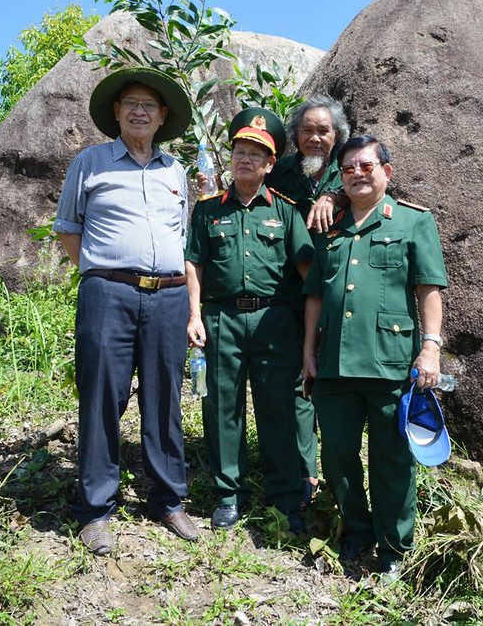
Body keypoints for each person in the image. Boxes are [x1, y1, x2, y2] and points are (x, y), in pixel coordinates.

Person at [53, 67, 199, 555]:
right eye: (131, 103)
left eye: (149, 105)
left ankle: (168, 501)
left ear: (162, 117)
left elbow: (181, 237)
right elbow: (69, 228)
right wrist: (103, 274)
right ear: (116, 112)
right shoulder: (90, 162)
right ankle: (95, 510)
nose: (140, 111)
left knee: (165, 397)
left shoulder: (175, 171)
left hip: (169, 296)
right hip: (108, 294)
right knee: (102, 395)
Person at [301, 135, 448, 579]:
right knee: (338, 457)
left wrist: (430, 347)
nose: (357, 175)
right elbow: (315, 295)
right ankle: (357, 531)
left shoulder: (413, 221)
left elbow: (428, 288)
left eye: (366, 166)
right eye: (348, 169)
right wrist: (309, 351)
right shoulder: (330, 227)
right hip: (334, 364)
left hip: (390, 362)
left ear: (386, 171)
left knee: (392, 460)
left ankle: (393, 548)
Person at [185, 109, 314, 531]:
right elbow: (194, 265)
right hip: (221, 319)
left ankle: (284, 495)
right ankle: (229, 494)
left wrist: (321, 324)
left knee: (278, 407)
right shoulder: (208, 210)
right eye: (239, 151)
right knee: (222, 406)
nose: (245, 159)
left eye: (255, 154)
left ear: (269, 164)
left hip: (274, 320)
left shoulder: (287, 212)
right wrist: (194, 315)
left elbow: (306, 271)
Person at [264, 96, 350, 506]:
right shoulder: (280, 172)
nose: (315, 138)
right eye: (307, 130)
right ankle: (304, 472)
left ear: (337, 135)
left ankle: (341, 474)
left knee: (334, 384)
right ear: (295, 134)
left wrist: (333, 196)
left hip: (340, 291)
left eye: (323, 130)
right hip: (290, 293)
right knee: (299, 379)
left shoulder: (349, 168)